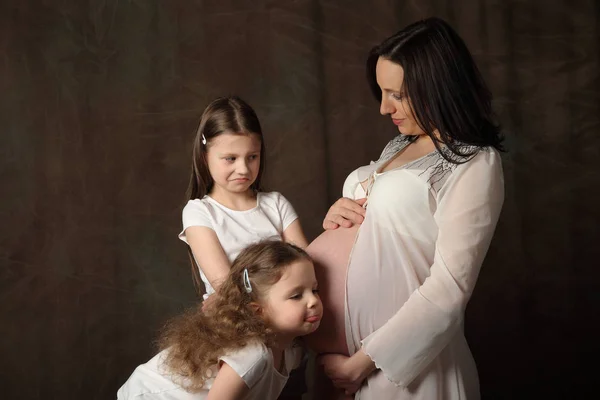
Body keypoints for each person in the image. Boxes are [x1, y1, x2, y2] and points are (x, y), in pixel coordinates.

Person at [306, 17, 505, 399]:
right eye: (381, 92)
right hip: (342, 374)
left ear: (437, 87)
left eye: (396, 94)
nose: (383, 108)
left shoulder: (476, 162)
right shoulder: (397, 147)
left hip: (407, 374)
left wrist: (363, 362)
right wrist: (337, 223)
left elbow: (451, 287)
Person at [178, 96, 310, 398]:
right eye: (230, 158)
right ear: (204, 153)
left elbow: (307, 267)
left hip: (290, 341)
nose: (243, 168)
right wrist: (271, 303)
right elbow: (225, 286)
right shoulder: (200, 212)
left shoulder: (275, 204)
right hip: (240, 340)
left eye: (252, 156)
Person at [117, 240, 323, 400]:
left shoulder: (290, 351)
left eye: (314, 290)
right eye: (296, 296)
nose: (313, 301)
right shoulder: (252, 354)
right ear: (257, 310)